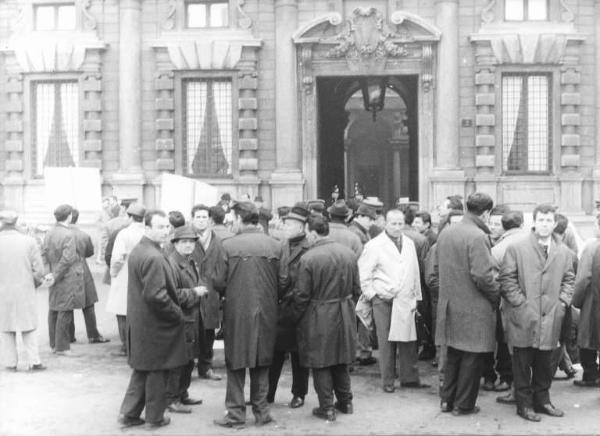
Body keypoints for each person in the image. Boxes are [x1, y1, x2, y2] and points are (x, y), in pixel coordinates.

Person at [499, 204, 575, 422]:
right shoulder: (517, 248)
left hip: (551, 316)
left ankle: (543, 400)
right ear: (534, 222)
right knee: (522, 363)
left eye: (548, 220)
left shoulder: (562, 251)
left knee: (545, 362)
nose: (544, 224)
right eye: (541, 220)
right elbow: (507, 279)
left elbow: (569, 279)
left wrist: (562, 302)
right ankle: (524, 404)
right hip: (524, 316)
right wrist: (520, 304)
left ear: (554, 224)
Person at [213, 201, 281, 428]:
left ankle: (235, 414)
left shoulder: (228, 245)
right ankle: (262, 413)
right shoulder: (275, 245)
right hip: (267, 311)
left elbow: (218, 281)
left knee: (236, 362)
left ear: (241, 219)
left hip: (237, 311)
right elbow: (284, 281)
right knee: (262, 361)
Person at [118, 210, 187, 429]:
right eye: (160, 227)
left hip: (141, 322)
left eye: (167, 227)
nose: (165, 231)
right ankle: (154, 418)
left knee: (142, 369)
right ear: (147, 228)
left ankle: (129, 414)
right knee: (158, 371)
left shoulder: (141, 249)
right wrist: (177, 314)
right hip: (156, 325)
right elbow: (156, 296)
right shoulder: (154, 256)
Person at [435, 192, 499, 416]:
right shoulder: (478, 236)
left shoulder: (446, 232)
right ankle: (464, 404)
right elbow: (483, 276)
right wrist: (495, 296)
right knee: (473, 357)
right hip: (474, 307)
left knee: (453, 355)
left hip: (450, 304)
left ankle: (447, 401)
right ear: (486, 212)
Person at [291, 215, 360, 421]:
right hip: (345, 311)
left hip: (319, 313)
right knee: (341, 359)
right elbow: (357, 289)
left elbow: (302, 295)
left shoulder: (309, 258)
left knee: (320, 361)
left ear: (312, 233)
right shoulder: (348, 254)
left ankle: (327, 407)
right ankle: (346, 402)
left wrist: (296, 317)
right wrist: (347, 306)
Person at [359, 209, 427, 393]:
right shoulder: (374, 245)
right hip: (383, 299)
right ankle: (387, 381)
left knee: (408, 339)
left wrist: (416, 297)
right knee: (386, 341)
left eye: (400, 223)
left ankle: (410, 378)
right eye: (393, 223)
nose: (397, 227)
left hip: (405, 298)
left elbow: (414, 271)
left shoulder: (410, 243)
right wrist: (372, 295)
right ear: (385, 224)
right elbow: (364, 274)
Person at [268, 202, 311, 408]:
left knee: (298, 355)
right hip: (280, 306)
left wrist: (292, 297)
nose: (286, 228)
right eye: (286, 224)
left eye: (291, 225)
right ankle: (268, 393)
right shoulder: (280, 244)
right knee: (274, 352)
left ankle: (299, 393)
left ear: (302, 227)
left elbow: (306, 279)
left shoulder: (309, 247)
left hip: (299, 307)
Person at [165, 226, 207, 413]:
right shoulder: (172, 263)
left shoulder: (189, 261)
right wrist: (194, 292)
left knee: (189, 359)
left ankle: (182, 394)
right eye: (184, 242)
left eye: (192, 241)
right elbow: (170, 294)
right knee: (179, 360)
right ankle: (171, 399)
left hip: (191, 318)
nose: (189, 245)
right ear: (175, 244)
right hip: (181, 319)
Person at [0, 210, 46, 371]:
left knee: (6, 327)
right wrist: (33, 282)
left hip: (2, 292)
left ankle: (10, 363)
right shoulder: (29, 241)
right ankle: (34, 361)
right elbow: (39, 270)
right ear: (15, 223)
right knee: (29, 326)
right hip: (25, 289)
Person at [490, 210, 527, 405]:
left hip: (509, 305)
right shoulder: (533, 242)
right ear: (522, 223)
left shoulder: (497, 249)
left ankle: (514, 388)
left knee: (511, 346)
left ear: (504, 226)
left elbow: (493, 279)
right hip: (533, 304)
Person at [43, 204, 85, 356]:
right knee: (65, 310)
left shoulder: (49, 232)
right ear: (68, 216)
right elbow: (68, 258)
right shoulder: (68, 234)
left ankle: (54, 344)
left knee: (53, 308)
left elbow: (44, 254)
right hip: (66, 276)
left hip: (53, 274)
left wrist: (49, 274)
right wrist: (55, 275)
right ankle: (62, 347)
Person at [190, 204, 225, 381]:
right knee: (190, 331)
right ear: (192, 219)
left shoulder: (218, 242)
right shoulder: (185, 240)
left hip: (211, 292)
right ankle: (186, 368)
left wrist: (219, 286)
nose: (202, 220)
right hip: (192, 291)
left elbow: (223, 265)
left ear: (210, 220)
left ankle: (206, 367)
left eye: (205, 217)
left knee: (208, 331)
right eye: (198, 217)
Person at [106, 203, 146, 356]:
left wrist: (113, 273)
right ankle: (140, 344)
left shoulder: (124, 234)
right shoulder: (147, 232)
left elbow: (117, 257)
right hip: (143, 273)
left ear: (130, 217)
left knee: (122, 310)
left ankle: (126, 346)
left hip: (125, 274)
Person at [69, 208, 109, 344]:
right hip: (82, 268)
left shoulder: (59, 234)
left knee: (67, 304)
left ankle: (69, 335)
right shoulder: (83, 235)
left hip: (65, 272)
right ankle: (93, 334)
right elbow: (90, 252)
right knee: (88, 304)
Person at [572, 213, 600, 388]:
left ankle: (590, 375)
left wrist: (576, 301)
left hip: (594, 303)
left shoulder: (592, 247)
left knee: (588, 339)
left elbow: (582, 279)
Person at [348, 204, 378, 366]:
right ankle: (362, 352)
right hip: (360, 279)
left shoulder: (359, 230)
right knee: (361, 315)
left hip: (359, 279)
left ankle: (361, 351)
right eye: (369, 218)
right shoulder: (356, 232)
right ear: (359, 216)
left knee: (359, 316)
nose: (371, 222)